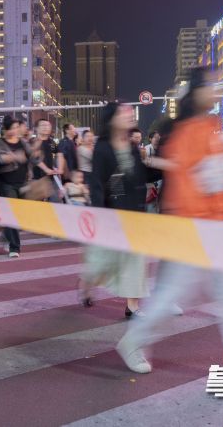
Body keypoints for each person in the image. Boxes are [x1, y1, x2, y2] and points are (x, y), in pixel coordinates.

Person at [115, 68, 223, 392]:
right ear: (197, 93)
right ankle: (132, 341)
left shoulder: (211, 129)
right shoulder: (186, 133)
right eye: (211, 85)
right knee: (170, 299)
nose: (218, 89)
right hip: (194, 230)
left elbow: (221, 178)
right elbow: (195, 183)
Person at [79, 103, 151, 319]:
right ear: (112, 120)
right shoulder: (102, 148)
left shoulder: (131, 146)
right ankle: (86, 283)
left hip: (134, 213)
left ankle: (133, 306)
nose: (129, 115)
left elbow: (141, 176)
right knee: (102, 262)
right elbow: (97, 184)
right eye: (123, 113)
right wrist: (99, 215)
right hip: (111, 214)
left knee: (135, 259)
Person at [0, 115, 34, 257]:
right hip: (7, 184)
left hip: (23, 182)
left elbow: (33, 156)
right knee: (12, 215)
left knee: (20, 215)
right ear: (6, 129)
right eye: (13, 127)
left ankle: (6, 235)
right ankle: (14, 248)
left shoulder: (23, 142)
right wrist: (14, 156)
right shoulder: (0, 142)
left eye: (17, 127)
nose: (16, 130)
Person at [30, 119, 63, 202]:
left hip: (51, 178)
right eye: (43, 125)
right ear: (36, 128)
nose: (46, 127)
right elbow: (34, 158)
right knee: (37, 207)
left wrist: (60, 168)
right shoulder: (32, 142)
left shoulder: (52, 142)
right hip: (36, 179)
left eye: (48, 125)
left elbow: (59, 154)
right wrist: (46, 169)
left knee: (55, 205)